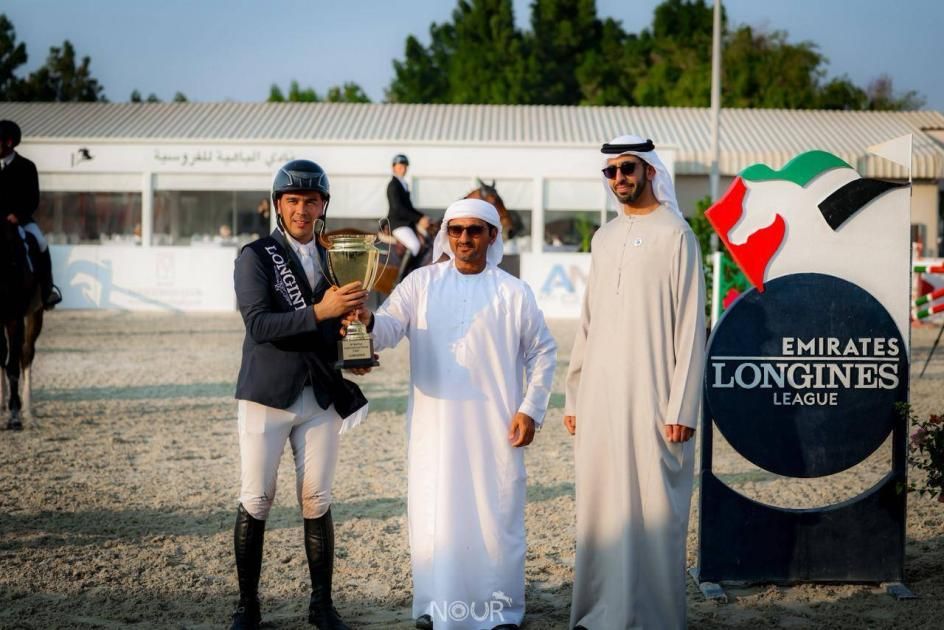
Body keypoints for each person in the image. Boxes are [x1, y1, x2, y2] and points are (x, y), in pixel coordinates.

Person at [354, 198, 556, 630]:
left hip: (496, 427)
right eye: (457, 230)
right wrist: (366, 321)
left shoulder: (513, 292)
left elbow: (543, 351)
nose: (465, 238)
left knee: (496, 515)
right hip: (435, 428)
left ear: (492, 236)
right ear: (447, 234)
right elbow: (387, 329)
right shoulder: (420, 283)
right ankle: (435, 607)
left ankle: (500, 611)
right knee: (436, 512)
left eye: (475, 230)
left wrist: (530, 409)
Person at [564, 135, 706, 630]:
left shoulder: (677, 235)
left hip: (655, 398)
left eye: (628, 168)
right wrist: (575, 395)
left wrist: (682, 407)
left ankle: (651, 619)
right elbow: (588, 322)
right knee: (601, 508)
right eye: (611, 171)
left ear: (649, 171)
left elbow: (691, 327)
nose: (619, 178)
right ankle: (600, 614)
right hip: (600, 398)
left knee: (654, 509)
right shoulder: (603, 238)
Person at [230, 159, 371, 630]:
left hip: (319, 396)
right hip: (267, 395)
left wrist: (355, 349)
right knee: (257, 497)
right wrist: (319, 311)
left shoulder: (337, 258)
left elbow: (342, 325)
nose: (302, 210)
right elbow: (259, 324)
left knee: (317, 498)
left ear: (323, 205)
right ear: (278, 204)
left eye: (311, 201)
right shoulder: (256, 255)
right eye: (293, 200)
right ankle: (247, 606)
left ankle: (322, 605)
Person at [0, 120, 62, 309]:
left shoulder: (26, 167)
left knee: (41, 243)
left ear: (9, 142)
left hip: (20, 221)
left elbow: (33, 198)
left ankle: (47, 291)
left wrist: (17, 215)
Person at [386, 153, 430, 261]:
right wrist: (419, 219)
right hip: (398, 223)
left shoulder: (403, 184)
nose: (403, 169)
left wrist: (423, 217)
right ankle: (404, 272)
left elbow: (409, 207)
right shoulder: (393, 185)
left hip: (406, 223)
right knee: (415, 245)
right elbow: (398, 209)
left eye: (405, 167)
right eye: (400, 167)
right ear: (393, 168)